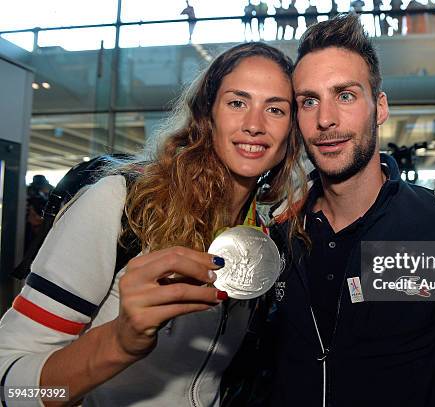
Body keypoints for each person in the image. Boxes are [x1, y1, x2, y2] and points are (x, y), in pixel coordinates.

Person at [0, 42, 305, 406]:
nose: (254, 125)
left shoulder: (265, 234)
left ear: (291, 131)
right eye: (237, 103)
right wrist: (118, 342)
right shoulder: (121, 204)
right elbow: (9, 384)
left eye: (275, 109)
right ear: (207, 114)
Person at [264, 14, 435, 406]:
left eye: (345, 95)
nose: (326, 119)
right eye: (309, 101)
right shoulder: (280, 232)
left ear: (380, 107)